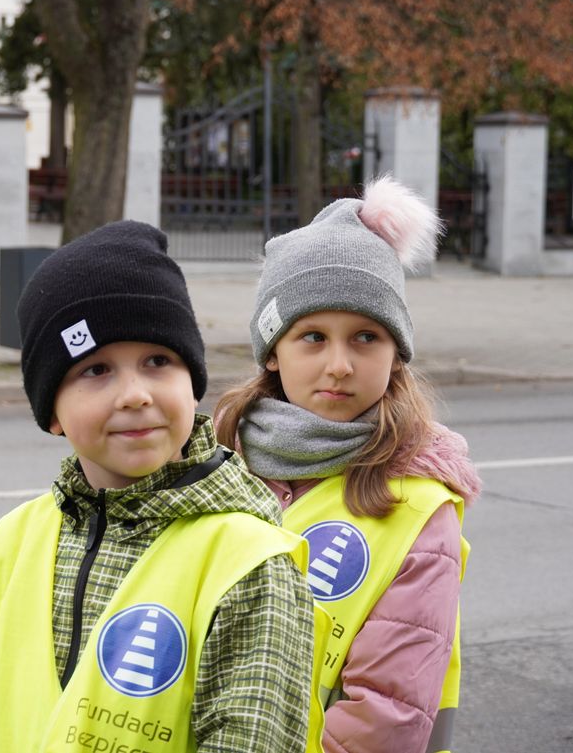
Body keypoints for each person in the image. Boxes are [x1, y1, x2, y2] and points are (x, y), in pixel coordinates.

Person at [0, 221, 317, 752]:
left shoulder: (249, 561)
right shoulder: (12, 543)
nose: (134, 395)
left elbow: (250, 738)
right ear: (51, 412)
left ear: (191, 382)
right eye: (96, 370)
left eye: (158, 362)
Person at [213, 176, 482, 753]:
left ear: (396, 353)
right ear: (273, 351)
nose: (339, 364)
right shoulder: (218, 464)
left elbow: (389, 710)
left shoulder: (415, 505)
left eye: (365, 336)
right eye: (312, 336)